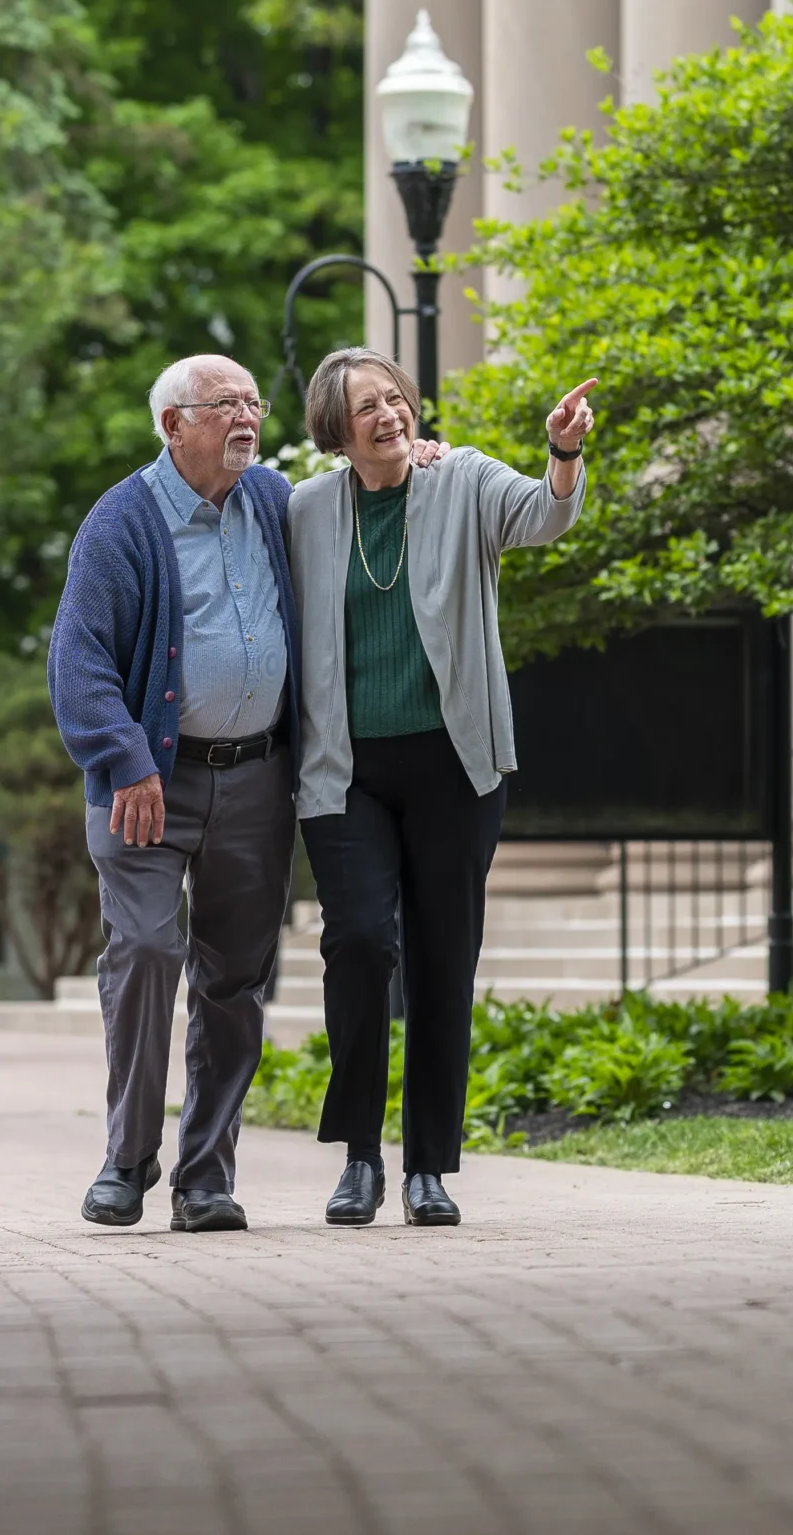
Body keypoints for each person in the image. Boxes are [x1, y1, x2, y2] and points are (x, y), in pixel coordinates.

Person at [49, 353, 448, 1232]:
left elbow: (359, 482)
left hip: (258, 776)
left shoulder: (274, 500)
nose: (246, 416)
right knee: (147, 952)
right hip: (146, 783)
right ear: (172, 425)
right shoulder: (120, 523)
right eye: (223, 404)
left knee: (235, 978)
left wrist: (420, 454)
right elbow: (77, 665)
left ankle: (204, 1177)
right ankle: (126, 1159)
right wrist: (126, 758)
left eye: (253, 402)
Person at [288, 347, 594, 1228]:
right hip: (344, 770)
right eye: (366, 407)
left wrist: (563, 452)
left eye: (395, 399)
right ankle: (357, 1156)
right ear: (335, 431)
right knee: (356, 943)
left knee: (441, 959)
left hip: (454, 764)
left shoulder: (460, 478)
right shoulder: (306, 510)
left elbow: (543, 515)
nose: (388, 415)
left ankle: (427, 1164)